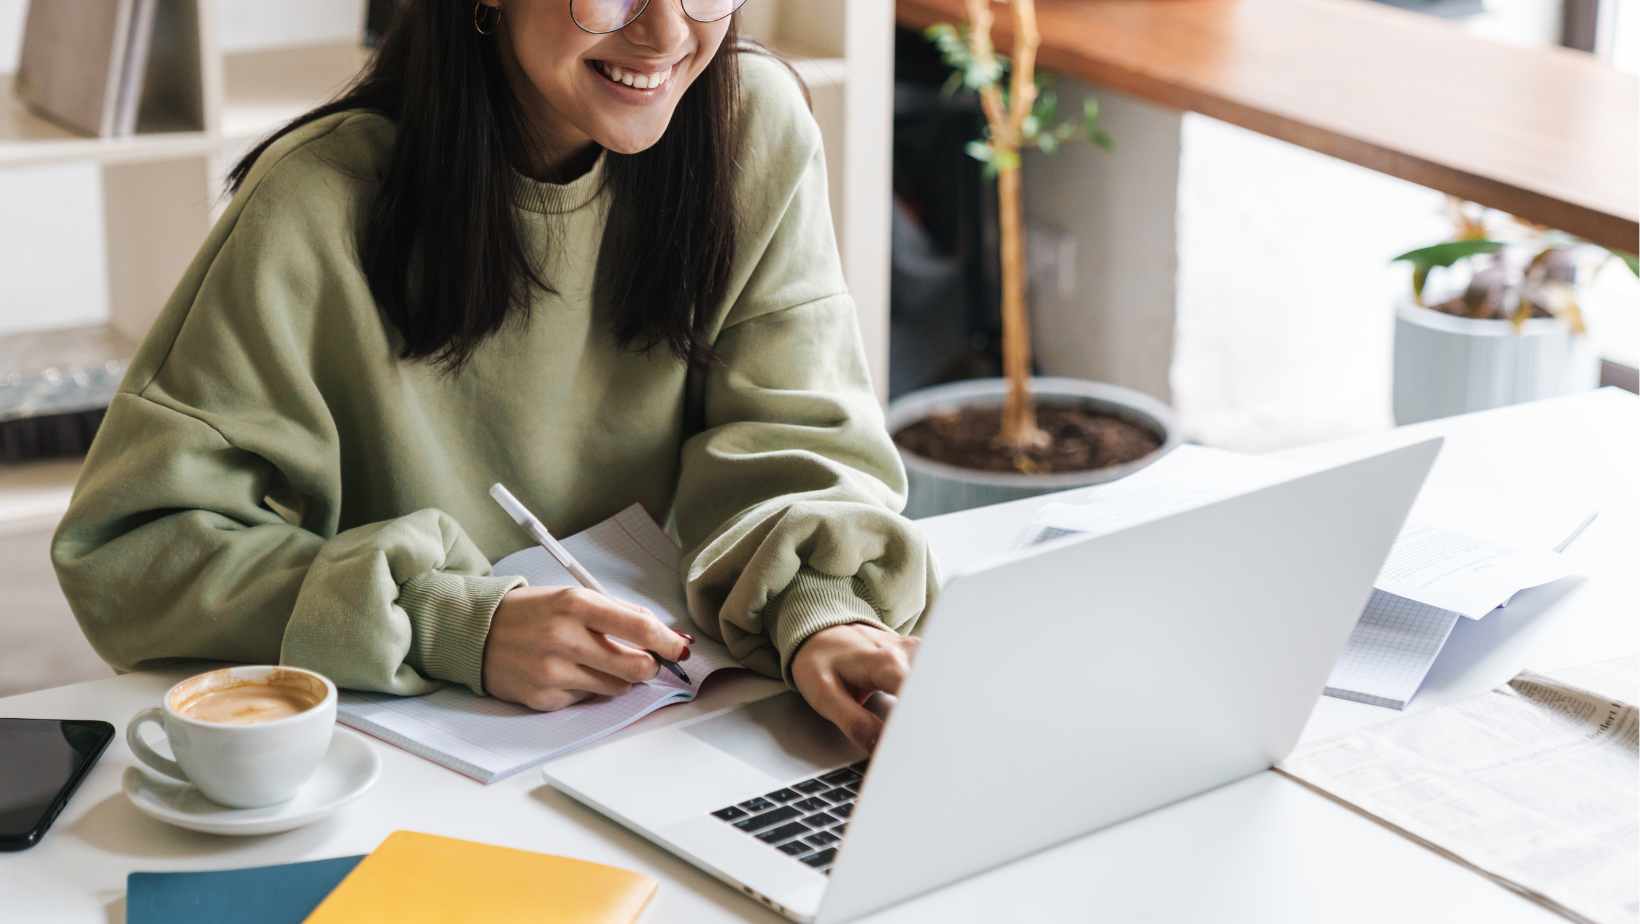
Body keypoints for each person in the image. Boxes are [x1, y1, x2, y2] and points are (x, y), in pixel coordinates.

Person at [51, 0, 937, 753]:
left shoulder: (755, 126)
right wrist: (450, 621)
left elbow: (794, 438)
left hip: (669, 725)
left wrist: (825, 610)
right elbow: (132, 552)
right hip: (414, 754)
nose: (667, 33)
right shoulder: (316, 201)